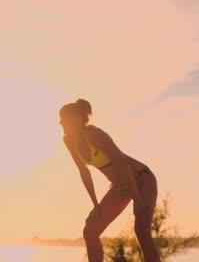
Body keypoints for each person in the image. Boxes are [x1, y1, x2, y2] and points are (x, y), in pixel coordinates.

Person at [59, 99, 161, 262]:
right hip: (120, 187)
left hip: (142, 179)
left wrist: (137, 198)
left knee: (141, 230)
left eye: (64, 120)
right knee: (91, 230)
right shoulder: (68, 140)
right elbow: (83, 172)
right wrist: (96, 205)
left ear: (77, 119)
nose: (61, 124)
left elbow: (124, 166)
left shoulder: (95, 135)